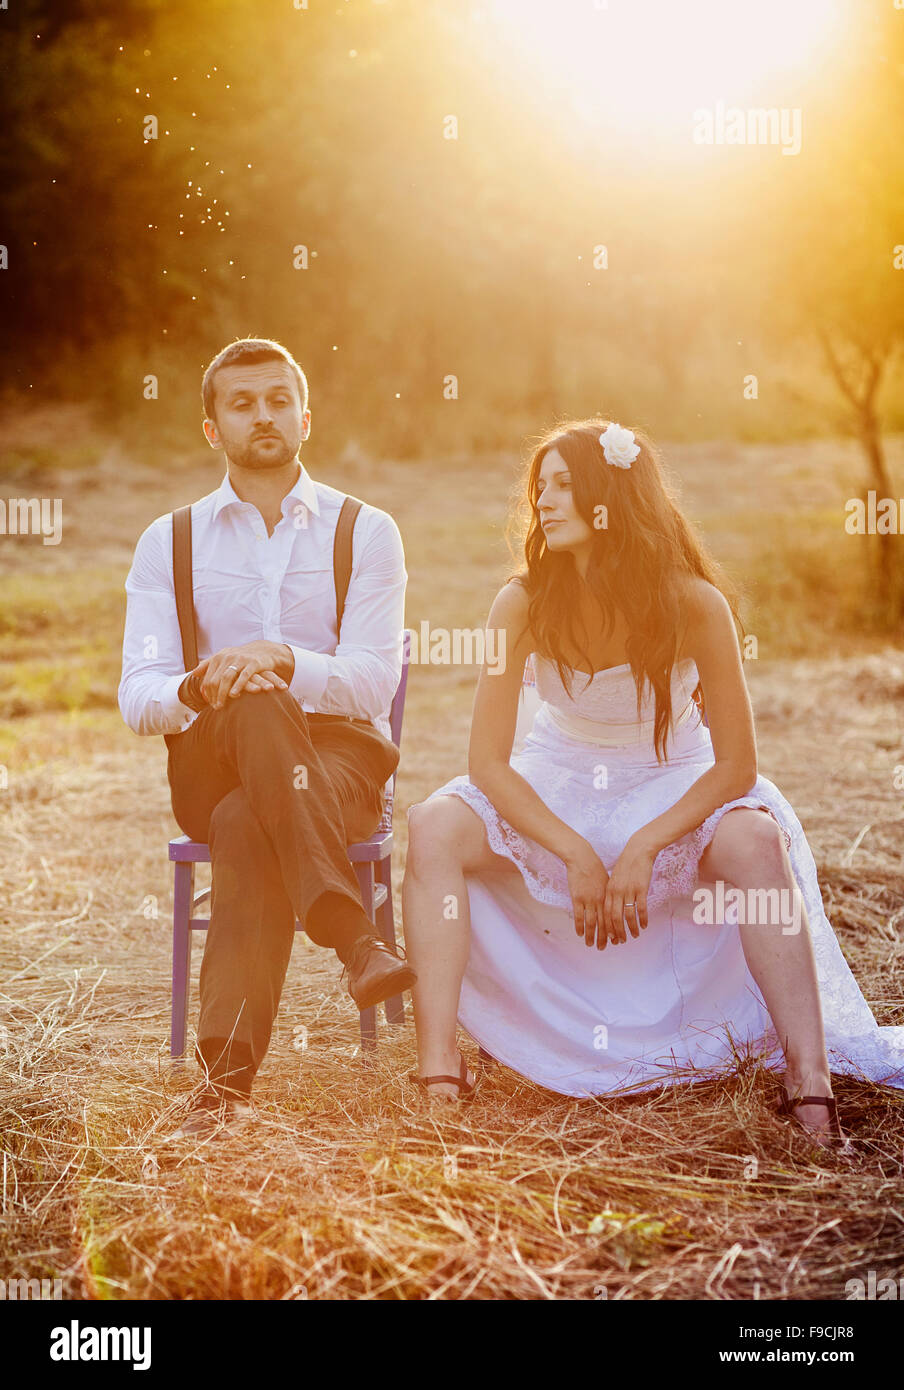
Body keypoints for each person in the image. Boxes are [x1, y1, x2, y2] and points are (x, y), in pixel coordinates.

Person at [402, 418, 904, 1148]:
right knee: (431, 825)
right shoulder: (520, 604)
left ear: (615, 494)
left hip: (673, 777)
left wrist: (643, 844)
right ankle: (440, 1070)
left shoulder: (696, 603)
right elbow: (488, 764)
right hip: (558, 773)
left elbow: (737, 766)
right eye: (540, 486)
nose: (545, 500)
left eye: (567, 485)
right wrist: (574, 850)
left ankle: (810, 1082)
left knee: (756, 840)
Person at [118, 338, 414, 1139]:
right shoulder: (168, 541)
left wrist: (282, 659)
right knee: (249, 707)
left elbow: (372, 683)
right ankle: (353, 939)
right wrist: (199, 682)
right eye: (242, 403)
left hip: (339, 762)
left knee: (253, 818)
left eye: (279, 399)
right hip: (212, 759)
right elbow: (137, 696)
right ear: (212, 429)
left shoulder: (368, 531)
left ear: (306, 417)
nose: (264, 415)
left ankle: (223, 1084)